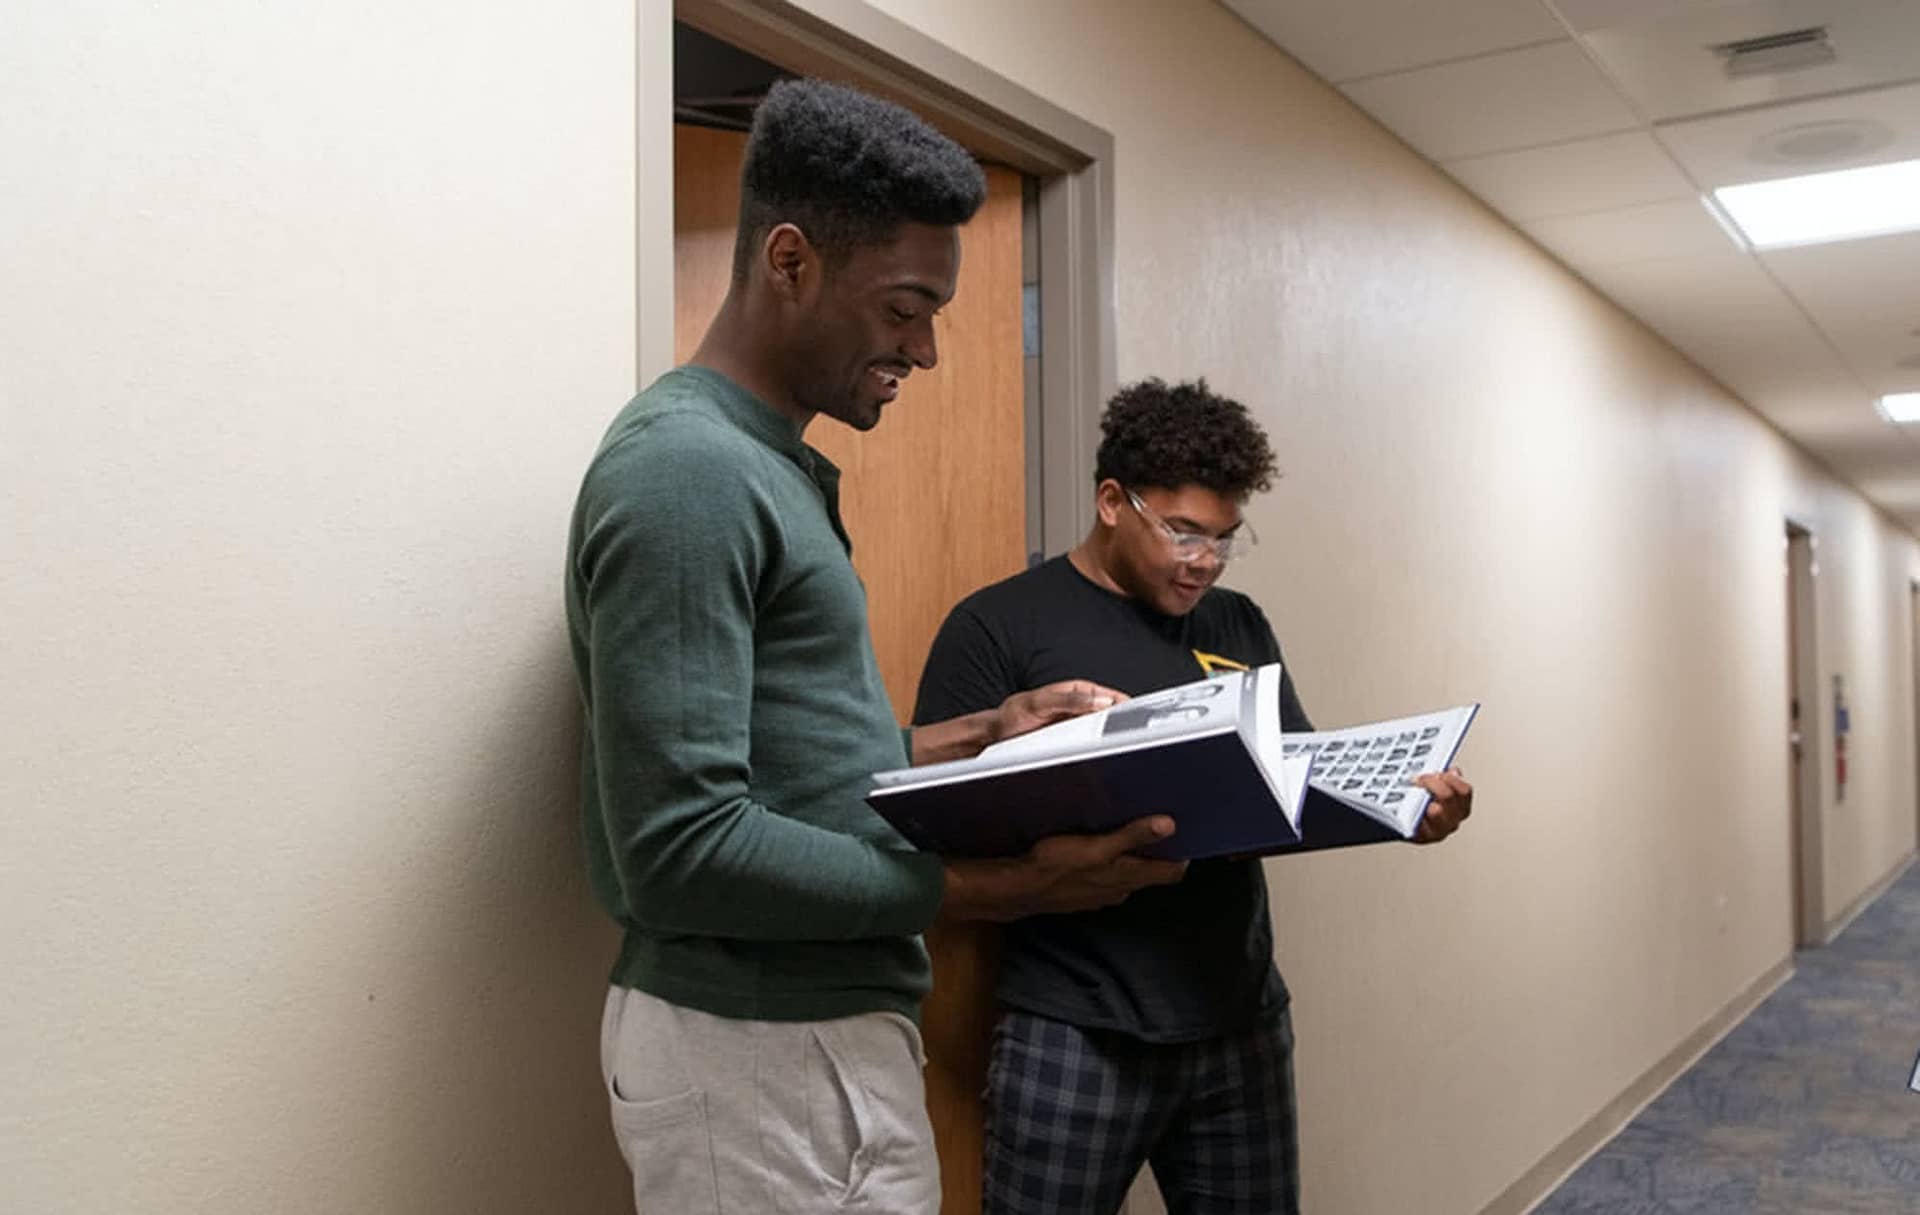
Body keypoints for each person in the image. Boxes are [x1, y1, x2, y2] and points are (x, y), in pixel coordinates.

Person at [564, 80, 1187, 1215]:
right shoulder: (689, 473)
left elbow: (786, 776)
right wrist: (1001, 888)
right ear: (790, 261)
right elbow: (680, 846)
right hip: (750, 1049)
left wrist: (974, 738)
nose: (929, 350)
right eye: (906, 309)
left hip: (818, 1038)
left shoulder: (759, 468)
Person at [912, 377, 1475, 1215]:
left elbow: (1294, 782)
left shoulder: (1238, 625)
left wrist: (1403, 810)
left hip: (1237, 1018)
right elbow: (937, 833)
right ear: (1112, 500)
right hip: (1073, 1027)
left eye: (1223, 537)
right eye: (1181, 531)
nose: (1204, 559)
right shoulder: (999, 627)